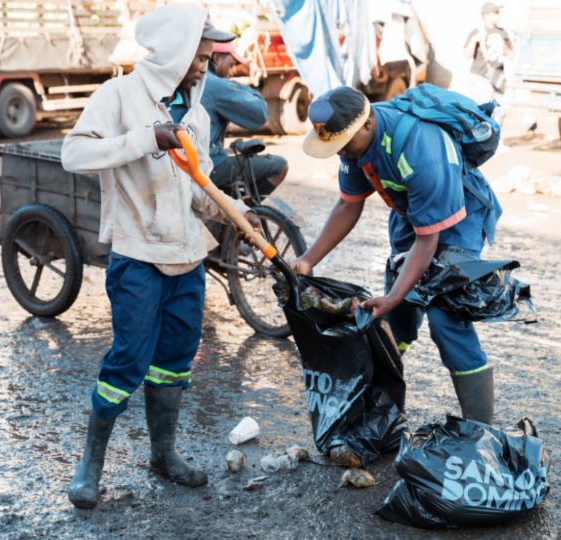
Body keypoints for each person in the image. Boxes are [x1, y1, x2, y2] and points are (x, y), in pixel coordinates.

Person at [60, 5, 259, 509]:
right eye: (200, 48)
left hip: (188, 256)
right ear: (174, 46)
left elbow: (199, 187)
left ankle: (163, 454)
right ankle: (91, 465)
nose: (207, 58)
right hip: (138, 256)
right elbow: (74, 154)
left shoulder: (195, 110)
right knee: (129, 357)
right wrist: (146, 138)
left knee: (173, 360)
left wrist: (236, 213)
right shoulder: (120, 96)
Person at [293, 86, 501, 461]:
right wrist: (308, 260)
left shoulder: (421, 148)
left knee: (445, 319)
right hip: (412, 213)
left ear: (368, 123)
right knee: (394, 321)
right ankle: (382, 419)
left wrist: (392, 295)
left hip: (459, 217)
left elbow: (428, 241)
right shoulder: (354, 144)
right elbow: (347, 203)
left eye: (343, 143)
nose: (339, 151)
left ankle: (481, 436)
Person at [202, 40, 288, 199]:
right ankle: (241, 217)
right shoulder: (217, 85)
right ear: (216, 59)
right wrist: (241, 87)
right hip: (208, 164)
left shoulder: (194, 79)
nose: (231, 72)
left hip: (193, 162)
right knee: (279, 166)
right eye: (231, 65)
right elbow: (259, 115)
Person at [464, 2, 512, 122]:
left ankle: (497, 139)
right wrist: (475, 40)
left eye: (498, 12)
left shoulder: (502, 32)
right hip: (480, 76)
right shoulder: (477, 32)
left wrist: (505, 48)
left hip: (498, 77)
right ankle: (483, 139)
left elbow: (511, 54)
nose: (498, 15)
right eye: (495, 12)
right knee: (484, 112)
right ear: (486, 15)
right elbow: (467, 55)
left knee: (500, 110)